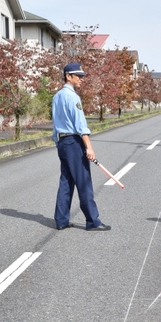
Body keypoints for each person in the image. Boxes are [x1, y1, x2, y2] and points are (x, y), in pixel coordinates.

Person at [52, 62, 110, 231]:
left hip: (62, 142)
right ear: (68, 76)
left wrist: (57, 142)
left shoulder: (56, 97)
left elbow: (55, 123)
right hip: (74, 142)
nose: (81, 79)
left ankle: (61, 220)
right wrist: (89, 147)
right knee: (83, 181)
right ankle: (92, 221)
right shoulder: (73, 97)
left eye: (82, 76)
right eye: (78, 76)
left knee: (66, 181)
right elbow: (80, 125)